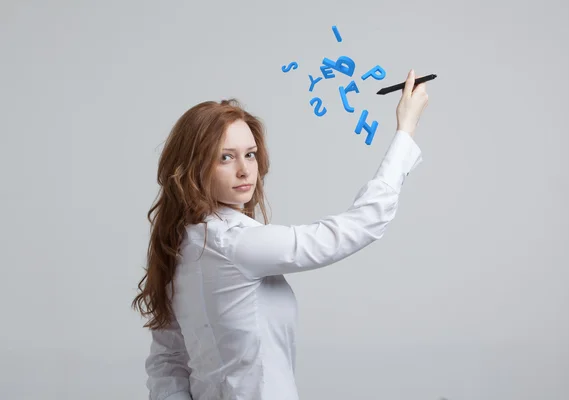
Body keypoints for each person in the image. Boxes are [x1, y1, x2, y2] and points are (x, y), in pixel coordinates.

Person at [132, 68, 429, 400]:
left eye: (250, 154)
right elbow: (360, 225)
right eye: (225, 157)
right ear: (192, 168)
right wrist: (406, 131)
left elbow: (166, 364)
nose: (245, 169)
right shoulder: (236, 243)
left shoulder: (177, 246)